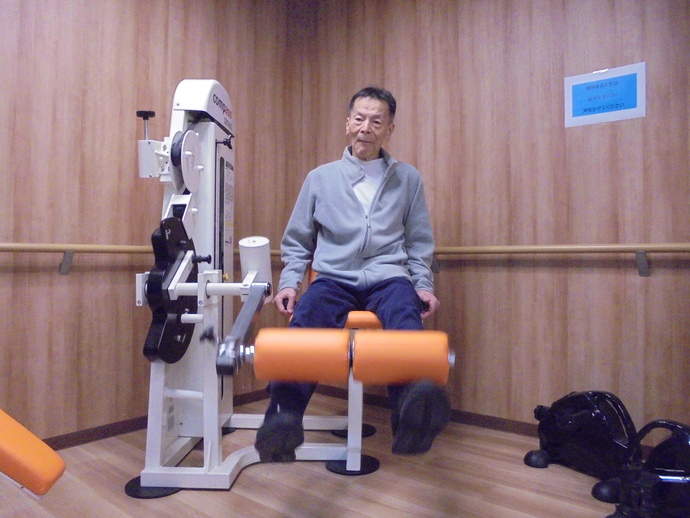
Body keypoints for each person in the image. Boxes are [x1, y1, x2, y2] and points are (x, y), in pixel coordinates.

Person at [255, 86, 450, 462]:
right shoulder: (320, 178)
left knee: (404, 314)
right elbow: (298, 240)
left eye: (376, 121)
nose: (366, 127)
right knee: (308, 317)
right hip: (334, 276)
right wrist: (290, 282)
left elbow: (419, 241)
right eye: (359, 119)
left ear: (389, 129)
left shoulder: (407, 179)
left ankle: (411, 415)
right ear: (347, 124)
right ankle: (283, 416)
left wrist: (423, 285)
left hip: (388, 275)